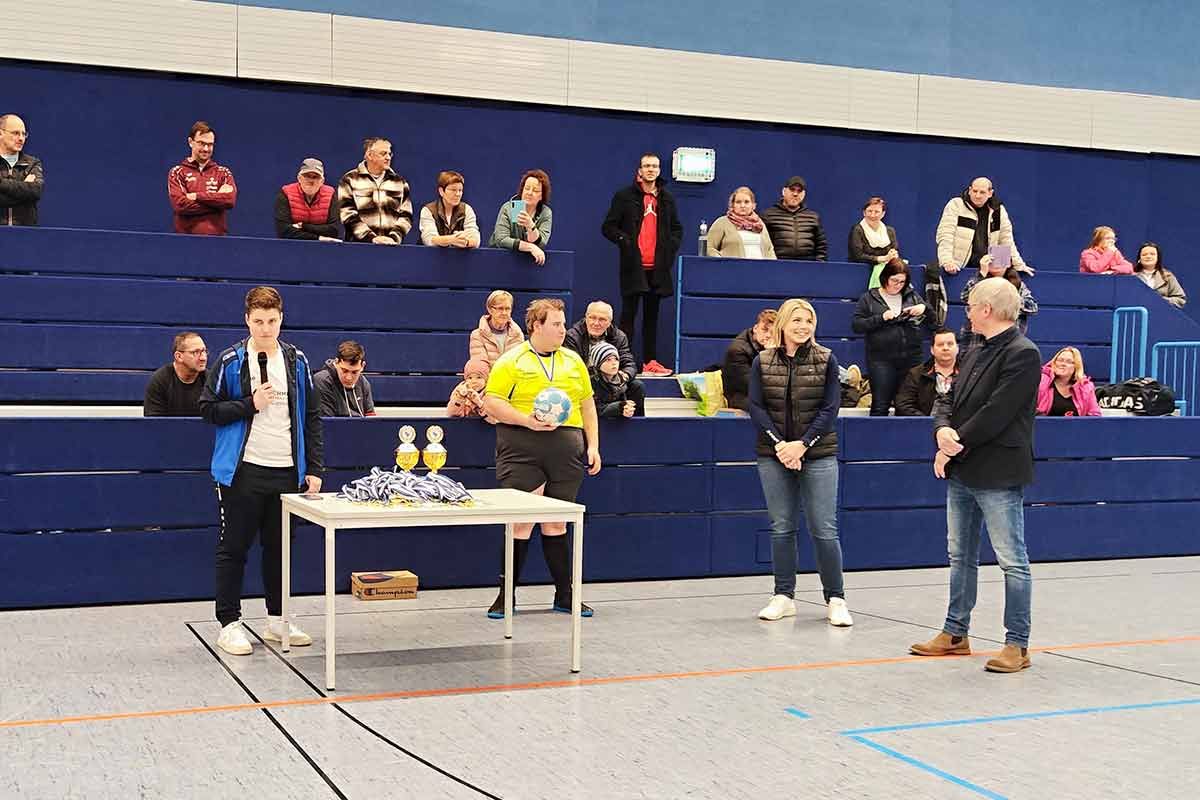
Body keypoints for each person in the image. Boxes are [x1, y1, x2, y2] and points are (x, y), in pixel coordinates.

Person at [912, 277, 1040, 673]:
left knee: (1011, 560)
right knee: (960, 555)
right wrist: (941, 430)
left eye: (970, 306)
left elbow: (997, 413)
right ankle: (955, 632)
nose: (966, 312)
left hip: (998, 472)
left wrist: (953, 443)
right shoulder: (974, 349)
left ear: (987, 309)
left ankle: (1017, 643)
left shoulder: (1023, 354)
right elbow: (947, 399)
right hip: (964, 470)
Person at [199, 286, 324, 657]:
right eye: (258, 321)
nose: (266, 329)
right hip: (243, 472)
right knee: (233, 548)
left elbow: (312, 416)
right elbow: (208, 410)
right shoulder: (230, 360)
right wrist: (249, 404)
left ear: (281, 319)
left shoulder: (297, 361)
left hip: (286, 472)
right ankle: (229, 623)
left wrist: (314, 466)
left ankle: (277, 619)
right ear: (247, 320)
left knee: (279, 550)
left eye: (271, 321)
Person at [481, 298, 601, 618]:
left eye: (563, 324)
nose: (563, 330)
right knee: (522, 521)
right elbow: (492, 402)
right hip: (522, 447)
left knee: (556, 521)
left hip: (566, 448)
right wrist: (527, 421)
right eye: (556, 324)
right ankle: (506, 596)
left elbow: (587, 404)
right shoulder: (512, 360)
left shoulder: (573, 360)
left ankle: (565, 595)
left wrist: (593, 446)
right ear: (537, 326)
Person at [747, 298, 851, 626]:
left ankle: (836, 598)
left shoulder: (827, 359)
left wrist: (802, 445)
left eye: (808, 321)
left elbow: (830, 409)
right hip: (774, 454)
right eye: (797, 320)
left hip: (818, 454)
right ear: (783, 324)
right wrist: (781, 445)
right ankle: (783, 596)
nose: (803, 326)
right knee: (781, 527)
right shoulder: (762, 360)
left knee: (824, 528)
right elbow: (756, 406)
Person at [601, 153, 684, 377]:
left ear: (659, 170)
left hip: (657, 269)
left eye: (654, 166)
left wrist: (670, 248)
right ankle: (621, 361)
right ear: (639, 170)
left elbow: (677, 228)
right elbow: (608, 227)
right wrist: (625, 242)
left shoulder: (667, 198)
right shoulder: (624, 196)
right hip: (633, 267)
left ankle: (649, 362)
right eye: (646, 166)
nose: (650, 169)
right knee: (628, 316)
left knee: (651, 318)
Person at [851, 259, 927, 416]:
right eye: (894, 280)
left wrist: (923, 308)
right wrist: (881, 318)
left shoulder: (911, 295)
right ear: (885, 277)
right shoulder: (869, 298)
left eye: (902, 282)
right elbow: (857, 325)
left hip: (911, 358)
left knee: (907, 405)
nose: (898, 285)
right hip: (881, 360)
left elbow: (932, 318)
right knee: (880, 405)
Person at [934, 177, 1031, 277]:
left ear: (990, 193)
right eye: (975, 191)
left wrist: (1019, 265)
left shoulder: (998, 210)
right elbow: (945, 235)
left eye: (982, 192)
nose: (977, 195)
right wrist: (947, 261)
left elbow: (1006, 240)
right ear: (969, 190)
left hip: (989, 270)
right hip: (958, 268)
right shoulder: (956, 204)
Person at [563, 301, 646, 415]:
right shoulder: (572, 337)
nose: (596, 323)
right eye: (592, 318)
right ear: (586, 317)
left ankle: (635, 422)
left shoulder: (619, 337)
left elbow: (629, 364)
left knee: (637, 386)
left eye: (602, 319)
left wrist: (623, 376)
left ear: (609, 322)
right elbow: (573, 369)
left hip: (612, 382)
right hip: (587, 382)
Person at [337, 137, 412, 244]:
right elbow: (347, 214)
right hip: (358, 247)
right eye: (383, 154)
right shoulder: (350, 179)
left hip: (392, 246)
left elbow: (406, 216)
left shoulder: (399, 182)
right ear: (369, 155)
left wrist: (394, 238)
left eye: (389, 154)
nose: (388, 158)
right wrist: (371, 238)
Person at [167, 121, 237, 236]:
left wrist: (196, 196)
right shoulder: (177, 172)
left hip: (218, 241)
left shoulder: (223, 173)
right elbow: (180, 206)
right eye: (201, 143)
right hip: (185, 241)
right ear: (190, 142)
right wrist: (217, 204)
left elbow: (229, 200)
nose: (206, 149)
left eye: (210, 144)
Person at [959, 259, 1039, 337]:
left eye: (1000, 258)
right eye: (992, 259)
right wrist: (982, 273)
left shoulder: (1018, 284)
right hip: (977, 337)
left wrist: (1007, 300)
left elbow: (1032, 307)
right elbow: (965, 297)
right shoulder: (980, 280)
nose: (996, 263)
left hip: (1007, 337)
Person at [489, 169, 552, 264]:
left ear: (542, 196)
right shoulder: (513, 207)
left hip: (528, 262)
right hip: (500, 259)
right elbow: (501, 240)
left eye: (535, 190)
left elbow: (541, 243)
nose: (529, 193)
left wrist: (531, 226)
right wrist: (530, 247)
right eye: (527, 188)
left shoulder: (545, 212)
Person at [721, 308, 777, 411]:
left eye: (773, 332)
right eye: (764, 330)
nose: (768, 335)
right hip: (741, 397)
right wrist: (770, 355)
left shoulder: (777, 346)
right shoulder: (737, 350)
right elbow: (753, 386)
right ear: (755, 328)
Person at [894, 329, 958, 417]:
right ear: (932, 350)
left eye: (950, 344)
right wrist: (925, 421)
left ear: (957, 348)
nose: (945, 348)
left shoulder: (970, 372)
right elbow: (903, 404)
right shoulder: (916, 374)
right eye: (940, 345)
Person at [760, 176, 827, 261]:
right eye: (792, 190)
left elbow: (821, 246)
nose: (795, 194)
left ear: (804, 194)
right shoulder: (768, 215)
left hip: (807, 266)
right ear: (784, 191)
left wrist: (818, 265)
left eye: (799, 191)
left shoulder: (813, 217)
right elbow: (761, 244)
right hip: (778, 265)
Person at [273, 158, 339, 241]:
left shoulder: (330, 194)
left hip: (323, 248)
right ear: (299, 178)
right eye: (306, 176)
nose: (311, 181)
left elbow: (334, 230)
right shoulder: (286, 193)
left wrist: (303, 226)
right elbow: (284, 231)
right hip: (292, 246)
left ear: (322, 181)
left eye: (315, 177)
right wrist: (319, 238)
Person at [144, 332, 208, 417]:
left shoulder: (210, 380)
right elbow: (155, 422)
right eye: (195, 352)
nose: (203, 358)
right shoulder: (160, 381)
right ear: (179, 356)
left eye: (204, 351)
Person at [706, 187, 777, 259]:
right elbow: (709, 248)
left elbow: (770, 249)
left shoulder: (759, 224)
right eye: (738, 202)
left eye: (746, 202)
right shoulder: (722, 222)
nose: (742, 206)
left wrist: (772, 264)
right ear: (732, 205)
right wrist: (722, 262)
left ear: (753, 205)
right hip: (733, 266)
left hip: (761, 266)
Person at [313, 340, 376, 417]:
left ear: (362, 366)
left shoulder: (363, 382)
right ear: (336, 363)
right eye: (344, 371)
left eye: (354, 372)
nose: (349, 378)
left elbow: (371, 418)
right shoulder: (322, 381)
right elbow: (328, 422)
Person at [0, 113, 43, 226]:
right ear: (0, 133)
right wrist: (24, 193)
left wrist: (1, 183)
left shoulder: (32, 163)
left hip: (24, 234)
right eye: (15, 133)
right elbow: (28, 194)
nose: (21, 138)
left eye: (24, 134)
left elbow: (35, 191)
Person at [419, 170, 480, 248]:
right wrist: (452, 239)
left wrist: (466, 242)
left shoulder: (466, 209)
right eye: (453, 190)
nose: (458, 194)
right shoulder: (428, 210)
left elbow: (476, 239)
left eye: (460, 190)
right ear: (441, 191)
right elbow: (429, 240)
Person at [847, 196, 899, 288]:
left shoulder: (890, 231)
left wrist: (893, 254)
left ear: (883, 214)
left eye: (877, 212)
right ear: (864, 212)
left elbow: (894, 249)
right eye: (870, 211)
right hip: (861, 273)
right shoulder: (857, 230)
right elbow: (857, 256)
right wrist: (881, 259)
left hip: (885, 273)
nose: (872, 215)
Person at [1036, 346, 1101, 417]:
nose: (1063, 364)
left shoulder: (1086, 387)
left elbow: (1095, 416)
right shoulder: (1040, 381)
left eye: (1069, 362)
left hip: (1076, 424)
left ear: (1076, 367)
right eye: (1060, 360)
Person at [469, 290, 525, 366]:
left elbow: (520, 364)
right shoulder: (477, 335)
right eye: (500, 308)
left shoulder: (517, 334)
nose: (504, 313)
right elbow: (480, 366)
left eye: (507, 309)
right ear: (489, 309)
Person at [588, 342, 636, 419]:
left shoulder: (621, 379)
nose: (614, 363)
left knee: (637, 385)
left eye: (616, 359)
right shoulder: (591, 382)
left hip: (619, 418)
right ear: (598, 364)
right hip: (598, 422)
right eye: (608, 360)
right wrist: (620, 407)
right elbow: (596, 409)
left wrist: (627, 409)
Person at [1133, 242, 1186, 308]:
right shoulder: (1132, 276)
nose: (1148, 256)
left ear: (1158, 258)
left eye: (1152, 254)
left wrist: (1160, 301)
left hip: (1162, 312)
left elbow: (1180, 299)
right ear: (1139, 259)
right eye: (1144, 254)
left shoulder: (1168, 276)